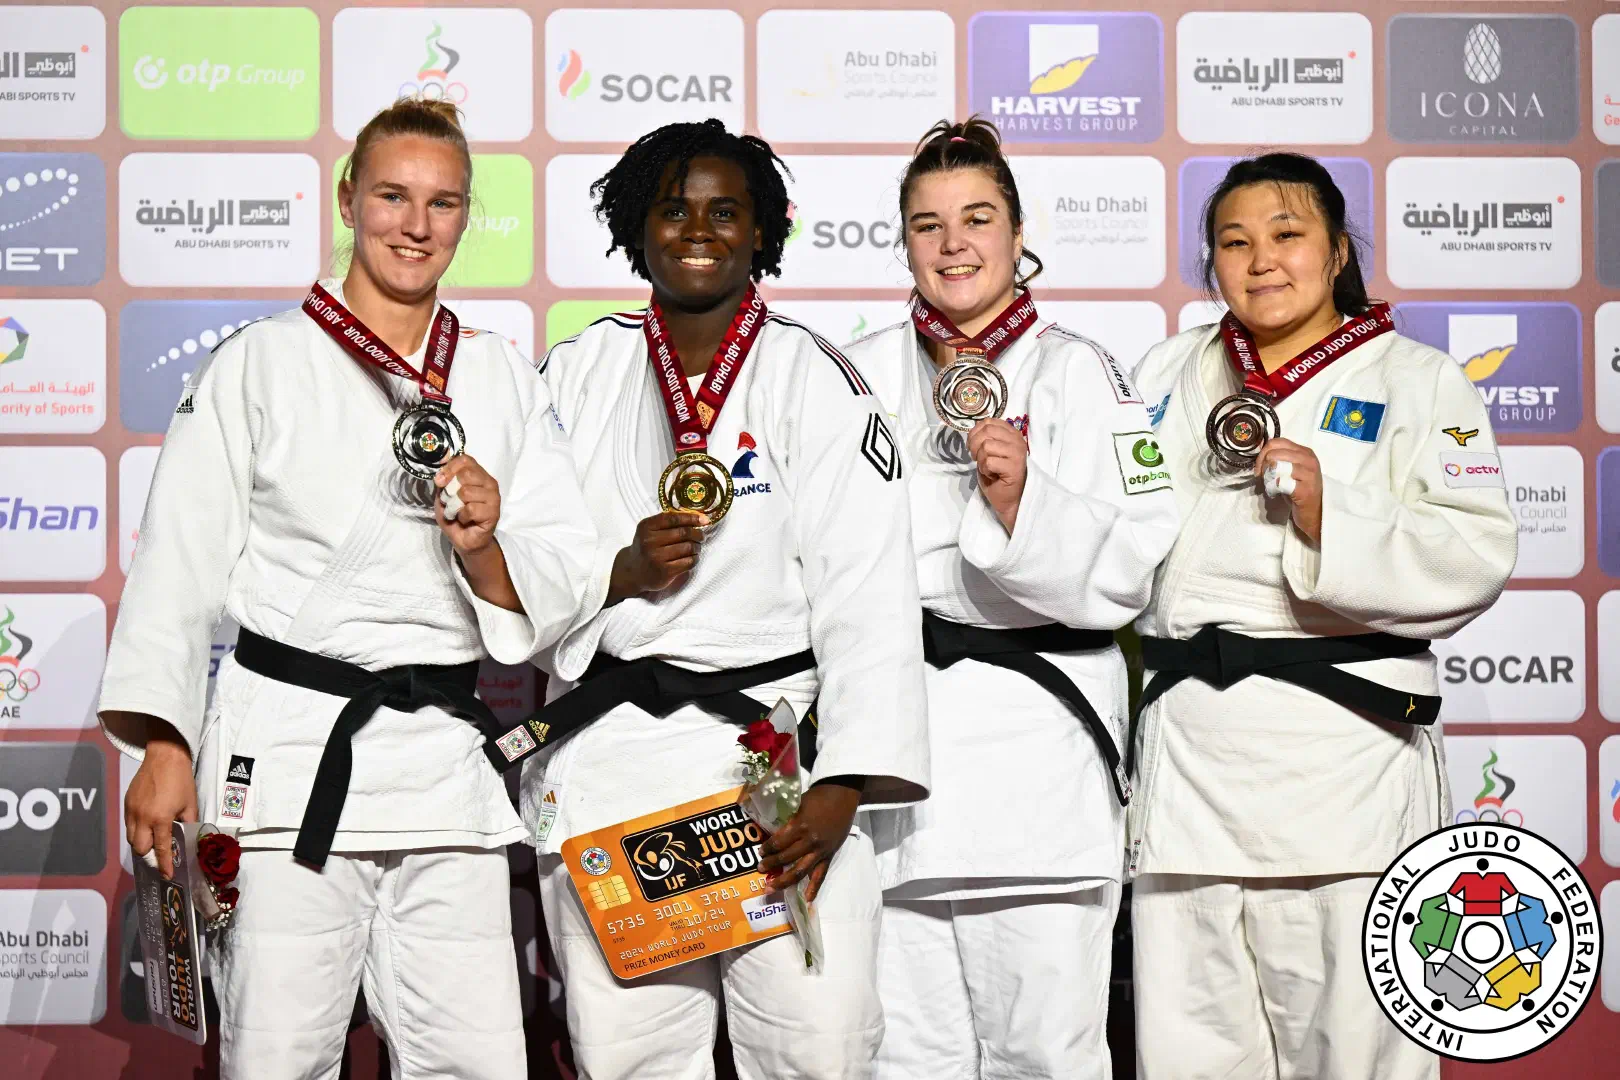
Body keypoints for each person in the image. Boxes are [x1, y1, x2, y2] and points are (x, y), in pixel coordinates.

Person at [101, 99, 600, 1080]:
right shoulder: (259, 362)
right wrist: (166, 741)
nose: (416, 225)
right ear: (347, 200)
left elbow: (566, 567)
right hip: (291, 766)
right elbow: (178, 561)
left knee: (480, 1063)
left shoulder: (500, 375)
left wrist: (486, 547)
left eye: (443, 203)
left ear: (466, 217)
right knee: (277, 1060)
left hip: (444, 778)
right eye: (392, 196)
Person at [522, 119, 929, 1079]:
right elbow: (530, 558)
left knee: (814, 1048)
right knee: (629, 1058)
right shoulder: (577, 372)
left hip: (771, 771)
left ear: (762, 230)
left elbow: (870, 590)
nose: (697, 231)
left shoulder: (816, 377)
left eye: (724, 212)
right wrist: (617, 572)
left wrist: (843, 785)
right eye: (673, 210)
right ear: (637, 227)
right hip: (614, 760)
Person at [1126, 153, 1517, 1080]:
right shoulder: (1170, 368)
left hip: (1344, 767)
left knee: (1357, 1054)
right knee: (1190, 1054)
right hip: (1191, 766)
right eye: (1234, 242)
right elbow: (1119, 529)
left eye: (1287, 234)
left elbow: (1474, 552)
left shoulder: (1420, 380)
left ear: (1338, 250)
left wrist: (1326, 509)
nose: (1261, 260)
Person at [841, 118, 1179, 1080]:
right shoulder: (855, 372)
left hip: (1037, 762)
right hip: (896, 759)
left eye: (977, 218)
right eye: (928, 224)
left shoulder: (1083, 371)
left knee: (1045, 1055)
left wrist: (1023, 503)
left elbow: (1136, 560)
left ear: (1019, 232)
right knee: (905, 1059)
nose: (953, 244)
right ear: (904, 241)